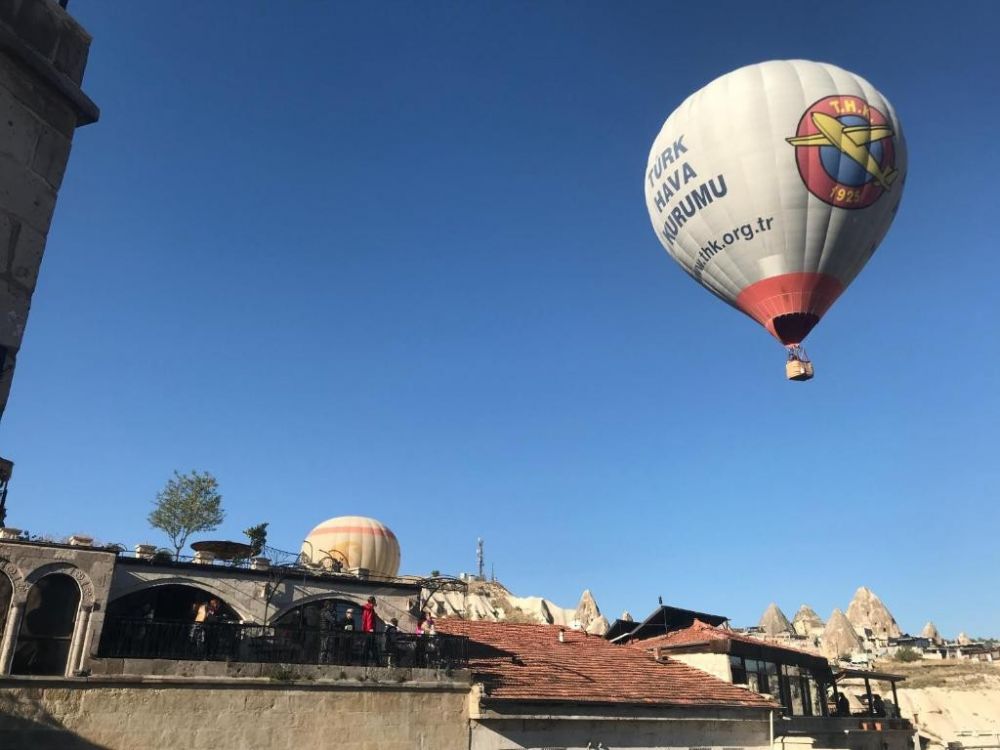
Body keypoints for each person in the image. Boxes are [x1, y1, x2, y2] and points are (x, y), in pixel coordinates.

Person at [361, 597, 380, 665]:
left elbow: (364, 620)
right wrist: (371, 629)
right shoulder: (370, 609)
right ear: (373, 601)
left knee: (368, 647)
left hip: (367, 630)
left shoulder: (367, 609)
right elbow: (369, 620)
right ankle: (376, 662)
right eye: (374, 601)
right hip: (370, 631)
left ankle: (365, 662)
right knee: (371, 647)